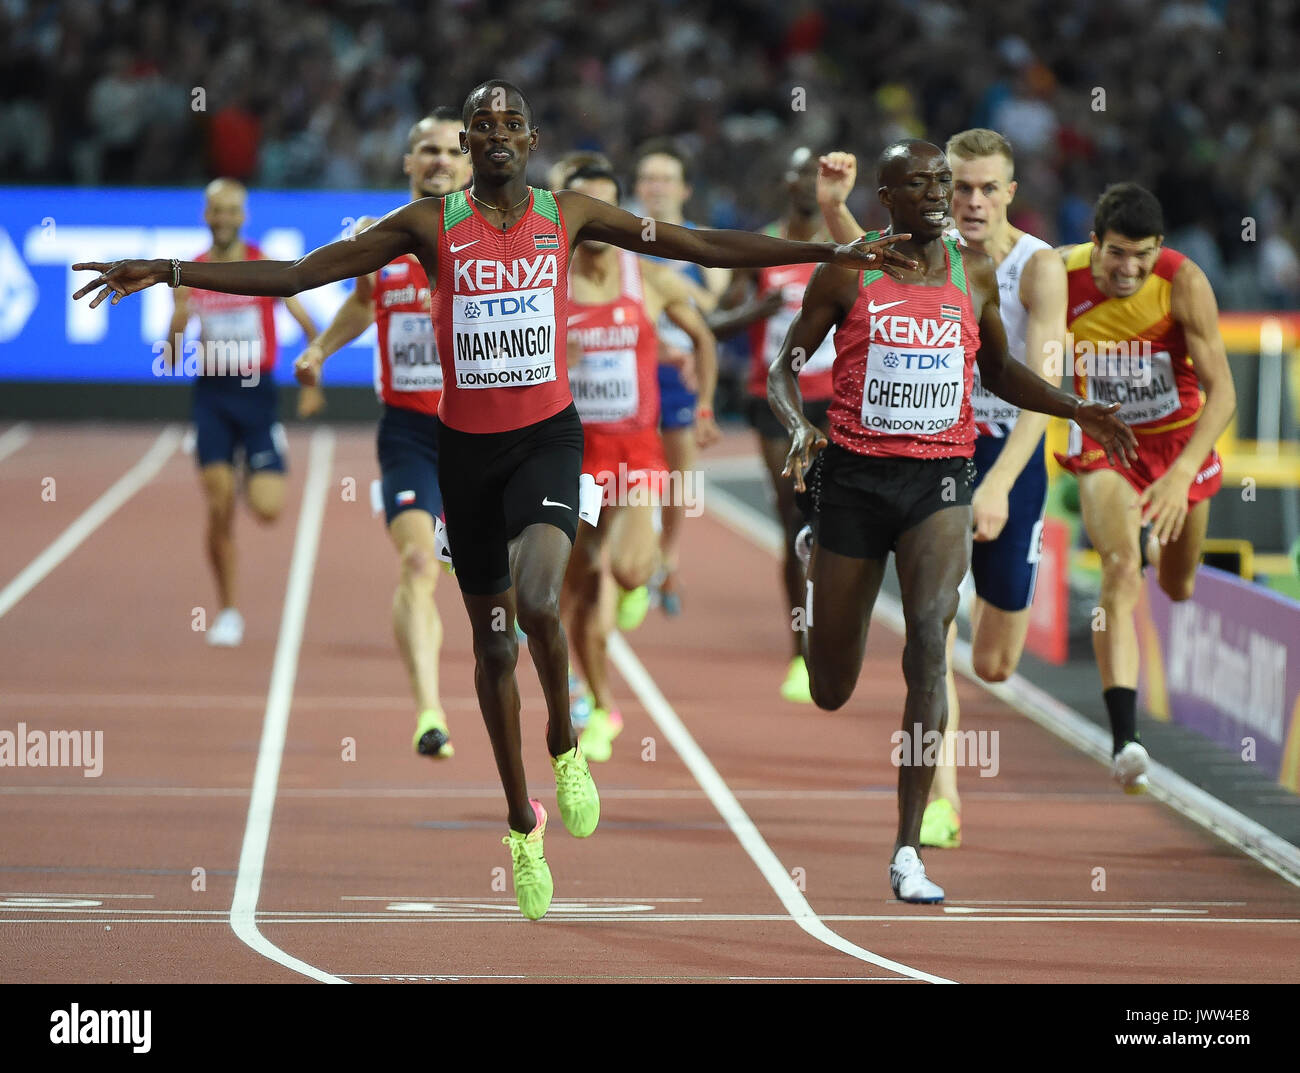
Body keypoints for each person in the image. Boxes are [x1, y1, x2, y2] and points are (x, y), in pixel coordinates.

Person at [74, 80, 913, 921]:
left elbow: (696, 244)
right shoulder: (427, 228)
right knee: (494, 647)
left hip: (547, 440)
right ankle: (520, 821)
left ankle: (566, 743)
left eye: (513, 124)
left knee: (541, 597)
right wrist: (170, 269)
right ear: (470, 143)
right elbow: (299, 272)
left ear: (533, 136)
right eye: (485, 126)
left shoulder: (570, 212)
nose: (500, 136)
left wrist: (839, 255)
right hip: (463, 456)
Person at [768, 139, 1136, 903]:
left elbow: (997, 370)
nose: (941, 196)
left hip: (940, 480)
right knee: (831, 685)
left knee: (933, 641)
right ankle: (817, 549)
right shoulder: (851, 267)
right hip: (856, 482)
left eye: (946, 182)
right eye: (923, 185)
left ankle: (908, 846)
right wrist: (799, 427)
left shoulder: (971, 274)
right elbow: (782, 367)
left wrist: (1079, 408)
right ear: (889, 197)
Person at [816, 128, 1068, 848]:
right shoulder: (929, 251)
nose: (972, 201)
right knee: (935, 634)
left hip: (1010, 457)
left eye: (988, 188)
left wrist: (1001, 487)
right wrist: (835, 210)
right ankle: (942, 799)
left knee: (994, 662)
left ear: (1011, 193)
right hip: (934, 458)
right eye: (960, 187)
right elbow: (869, 265)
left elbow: (1038, 393)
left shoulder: (1033, 269)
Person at [293, 108, 471, 761]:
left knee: (506, 582)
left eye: (454, 151)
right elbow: (365, 302)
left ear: (472, 163)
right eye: (427, 149)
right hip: (411, 432)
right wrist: (321, 348)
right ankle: (430, 709)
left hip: (483, 431)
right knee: (418, 563)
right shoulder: (378, 239)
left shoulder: (494, 239)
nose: (440, 161)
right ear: (407, 161)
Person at [1054, 182, 1235, 792]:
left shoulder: (1183, 281)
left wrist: (1183, 476)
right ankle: (1125, 738)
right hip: (1108, 445)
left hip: (1180, 443)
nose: (1129, 269)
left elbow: (1224, 393)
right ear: (1094, 242)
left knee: (1178, 587)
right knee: (1119, 568)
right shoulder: (1059, 273)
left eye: (1144, 254)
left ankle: (1160, 545)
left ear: (1161, 247)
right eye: (1117, 253)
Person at [559, 163, 718, 762]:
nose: (597, 222)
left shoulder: (647, 278)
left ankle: (637, 575)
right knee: (574, 593)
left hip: (634, 455)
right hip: (573, 457)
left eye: (608, 208)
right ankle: (602, 705)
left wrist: (702, 404)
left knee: (625, 572)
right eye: (585, 208)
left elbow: (702, 337)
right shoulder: (548, 286)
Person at [166, 178, 322, 648]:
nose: (224, 217)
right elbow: (172, 357)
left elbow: (307, 322)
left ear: (243, 216)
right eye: (217, 209)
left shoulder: (263, 265)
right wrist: (176, 327)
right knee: (218, 507)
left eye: (233, 209)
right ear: (206, 215)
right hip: (211, 397)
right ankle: (228, 610)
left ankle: (258, 457)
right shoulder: (189, 270)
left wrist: (312, 382)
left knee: (268, 510)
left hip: (258, 398)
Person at [708, 147, 838, 704]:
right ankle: (799, 651)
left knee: (831, 524)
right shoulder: (760, 248)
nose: (810, 182)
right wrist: (759, 311)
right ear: (787, 182)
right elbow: (714, 321)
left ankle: (833, 633)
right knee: (793, 518)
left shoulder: (845, 246)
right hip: (775, 400)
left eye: (821, 174)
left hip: (837, 397)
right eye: (802, 171)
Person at [632, 139, 726, 616]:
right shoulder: (622, 238)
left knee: (678, 478)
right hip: (634, 370)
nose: (657, 187)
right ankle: (634, 553)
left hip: (682, 377)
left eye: (666, 178)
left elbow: (715, 307)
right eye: (649, 177)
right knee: (629, 470)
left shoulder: (700, 242)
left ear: (684, 188)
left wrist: (668, 280)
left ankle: (666, 557)